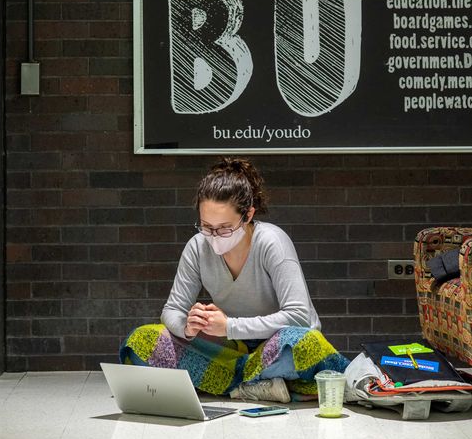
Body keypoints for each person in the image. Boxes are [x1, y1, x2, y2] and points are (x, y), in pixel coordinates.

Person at [120, 158, 349, 403]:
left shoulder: (272, 242)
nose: (214, 236)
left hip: (279, 343)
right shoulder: (197, 247)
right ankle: (260, 384)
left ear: (248, 215)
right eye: (206, 227)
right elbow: (172, 310)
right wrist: (187, 327)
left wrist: (229, 326)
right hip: (233, 348)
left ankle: (228, 383)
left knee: (304, 345)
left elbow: (299, 316)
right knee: (141, 340)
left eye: (225, 228)